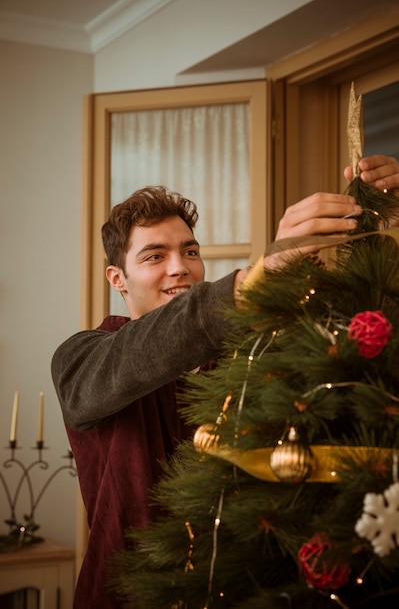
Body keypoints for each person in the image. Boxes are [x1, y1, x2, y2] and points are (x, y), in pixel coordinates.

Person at [51, 154, 399, 609]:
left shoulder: (251, 351)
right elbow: (142, 352)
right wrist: (260, 275)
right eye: (155, 256)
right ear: (118, 278)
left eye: (190, 252)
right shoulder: (83, 357)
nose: (181, 268)